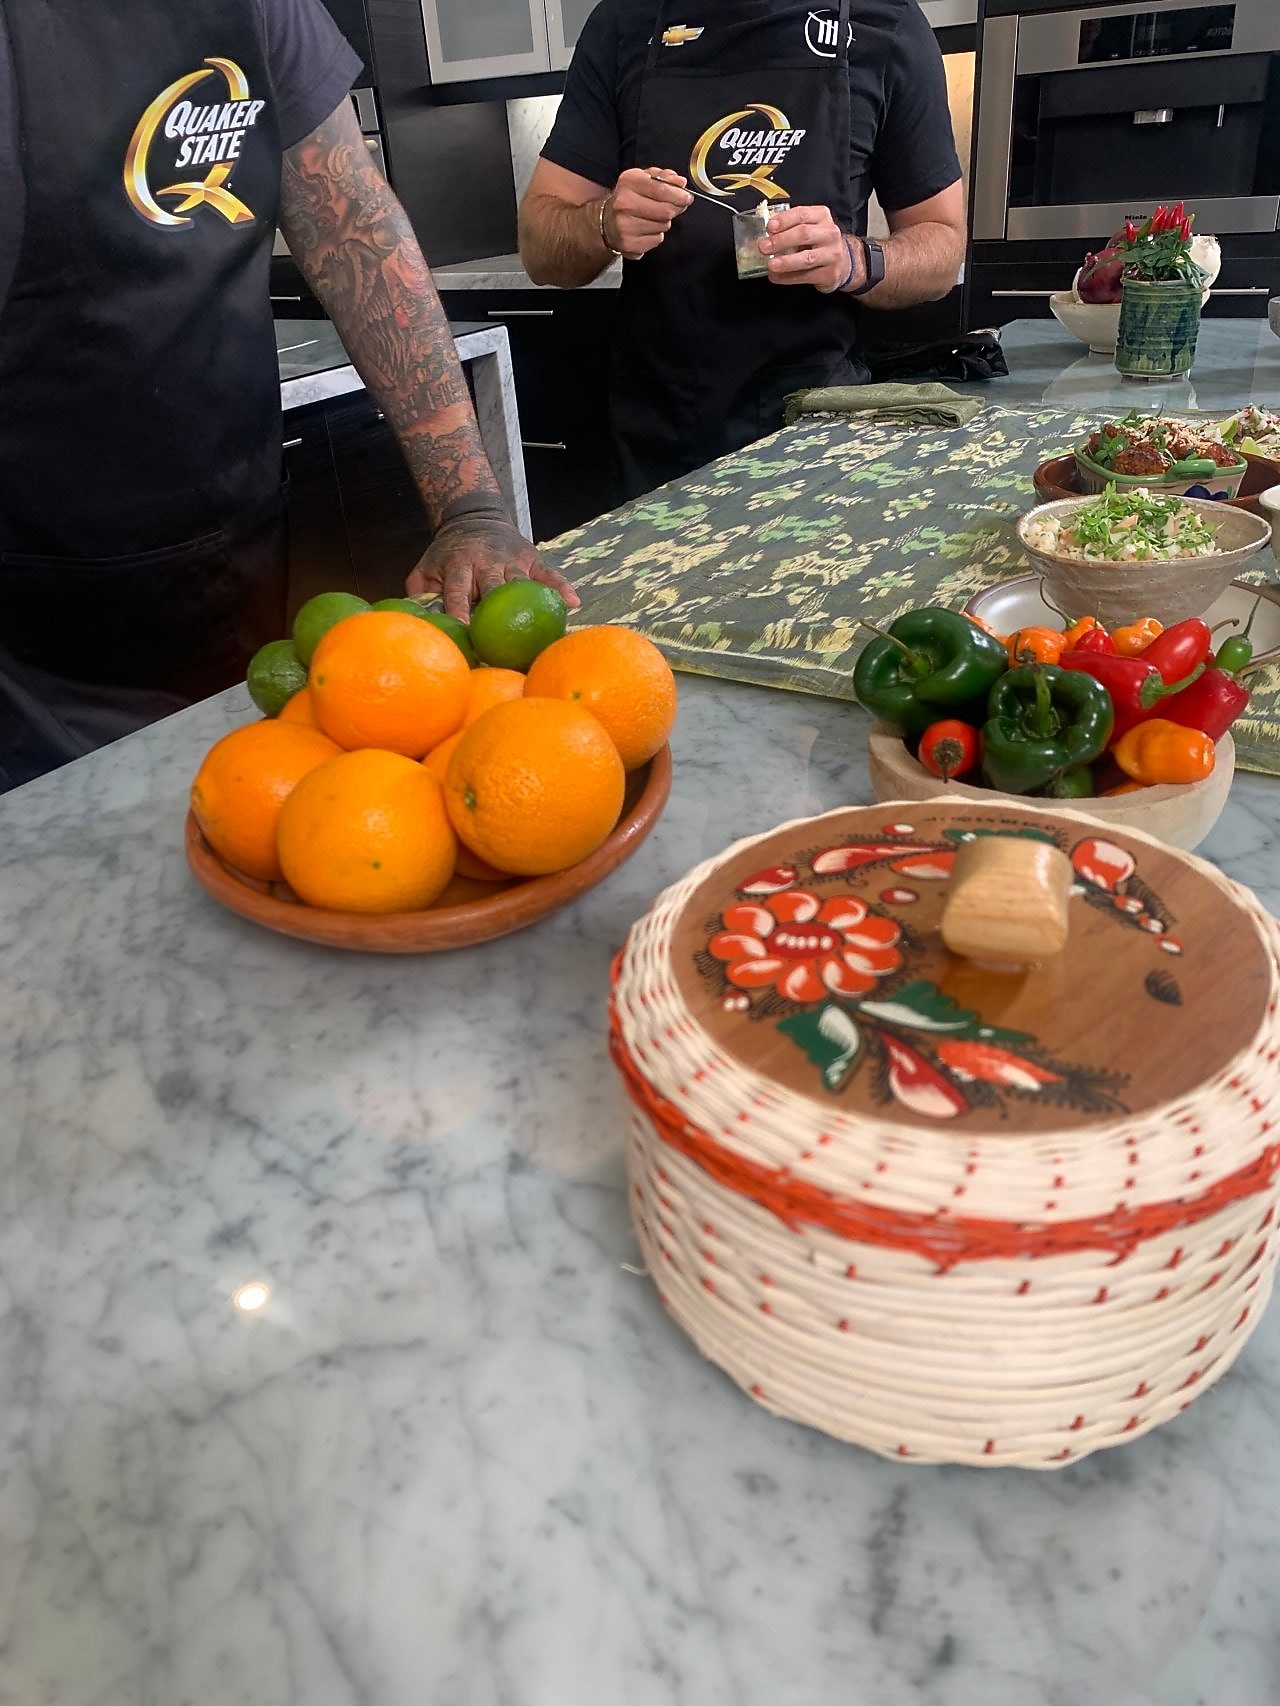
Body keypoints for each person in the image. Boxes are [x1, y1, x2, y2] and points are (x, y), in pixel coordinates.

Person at [0, 0, 575, 794]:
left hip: (229, 552)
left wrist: (470, 509)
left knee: (256, 816)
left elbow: (355, 229)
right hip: (26, 611)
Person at [519, 0, 966, 501]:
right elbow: (539, 245)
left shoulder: (886, 24)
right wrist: (602, 221)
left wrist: (853, 260)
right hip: (658, 436)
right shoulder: (623, 24)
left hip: (817, 430)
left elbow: (943, 246)